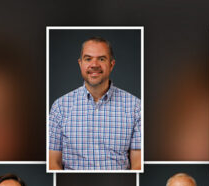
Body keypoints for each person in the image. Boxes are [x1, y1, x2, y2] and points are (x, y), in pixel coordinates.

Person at [49, 36, 141, 170]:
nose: (94, 65)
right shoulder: (60, 107)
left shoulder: (135, 107)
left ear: (111, 64)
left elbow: (138, 164)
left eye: (101, 59)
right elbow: (53, 163)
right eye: (88, 59)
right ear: (80, 64)